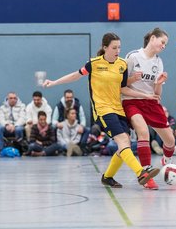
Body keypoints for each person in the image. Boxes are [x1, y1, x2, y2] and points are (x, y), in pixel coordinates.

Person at [43, 32, 160, 188]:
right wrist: (54, 82)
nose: (117, 50)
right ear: (105, 48)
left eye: (119, 47)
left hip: (118, 109)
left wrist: (146, 95)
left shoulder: (122, 65)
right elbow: (75, 76)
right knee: (123, 141)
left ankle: (108, 177)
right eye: (114, 47)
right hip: (103, 110)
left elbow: (123, 89)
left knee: (123, 143)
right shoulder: (94, 63)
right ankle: (141, 173)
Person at [123, 28, 176, 190]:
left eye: (165, 45)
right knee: (143, 132)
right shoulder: (132, 57)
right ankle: (146, 175)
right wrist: (134, 80)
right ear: (153, 38)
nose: (163, 46)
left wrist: (159, 83)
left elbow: (156, 94)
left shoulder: (158, 62)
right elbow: (121, 86)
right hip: (132, 100)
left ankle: (165, 163)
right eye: (162, 42)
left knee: (170, 141)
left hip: (150, 102)